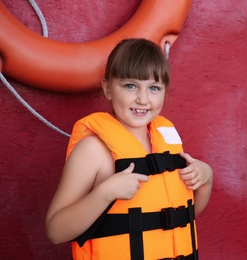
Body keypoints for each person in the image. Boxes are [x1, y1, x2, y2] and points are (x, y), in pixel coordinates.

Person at [45, 38, 213, 260]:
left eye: (154, 88)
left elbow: (184, 217)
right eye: (130, 86)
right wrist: (105, 193)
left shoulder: (167, 142)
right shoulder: (93, 151)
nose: (142, 99)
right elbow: (56, 231)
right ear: (107, 89)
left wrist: (206, 180)